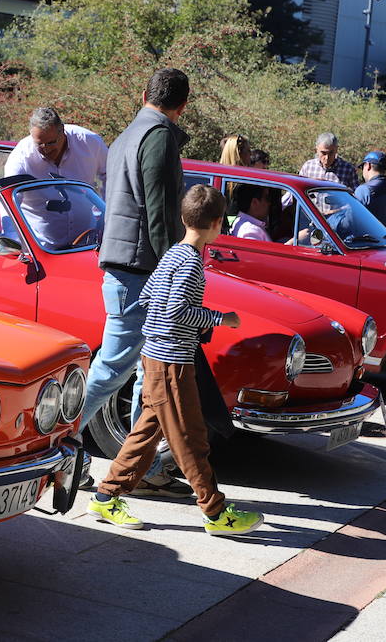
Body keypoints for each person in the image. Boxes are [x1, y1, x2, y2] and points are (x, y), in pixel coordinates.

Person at [86, 185, 264, 537]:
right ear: (216, 224)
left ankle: (105, 497)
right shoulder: (192, 263)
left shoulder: (171, 254)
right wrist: (219, 318)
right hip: (171, 363)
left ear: (184, 219)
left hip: (154, 357)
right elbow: (176, 309)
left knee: (145, 434)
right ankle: (215, 512)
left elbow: (150, 296)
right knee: (190, 439)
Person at [84, 68, 193, 497]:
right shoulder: (160, 135)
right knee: (114, 369)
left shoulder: (127, 133)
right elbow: (161, 213)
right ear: (183, 106)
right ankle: (51, 438)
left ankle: (140, 467)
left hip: (124, 266)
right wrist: (176, 272)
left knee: (140, 374)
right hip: (139, 272)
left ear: (144, 93)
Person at [4, 107, 107, 191]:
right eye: (39, 144)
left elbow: (111, 175)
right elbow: (10, 194)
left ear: (62, 130)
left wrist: (108, 211)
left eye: (51, 143)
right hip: (36, 216)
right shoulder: (21, 155)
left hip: (85, 216)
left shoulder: (89, 142)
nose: (47, 150)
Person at [353, 150, 386, 230]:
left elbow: (351, 221)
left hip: (367, 241)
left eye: (362, 167)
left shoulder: (364, 190)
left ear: (368, 166)